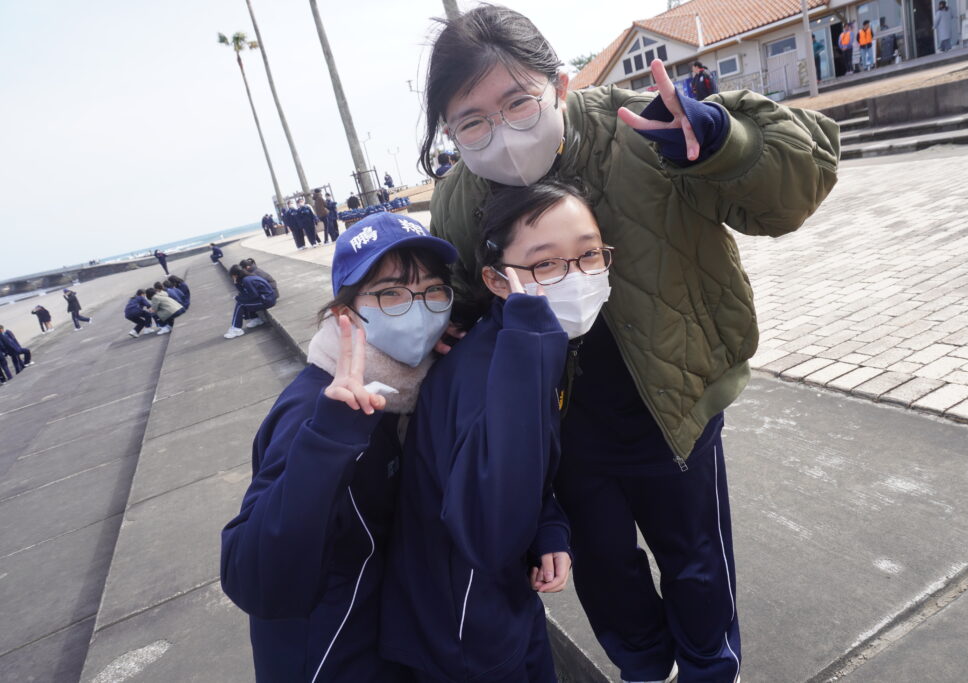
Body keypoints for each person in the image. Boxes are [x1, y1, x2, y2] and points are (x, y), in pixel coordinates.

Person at [419, 6, 839, 681]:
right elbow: (467, 297)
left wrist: (722, 144)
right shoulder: (457, 200)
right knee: (606, 573)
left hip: (674, 406)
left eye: (518, 102)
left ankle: (710, 667)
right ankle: (644, 669)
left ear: (559, 84)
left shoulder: (644, 127)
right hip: (562, 434)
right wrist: (442, 326)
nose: (501, 133)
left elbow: (798, 184)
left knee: (697, 562)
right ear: (450, 130)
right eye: (472, 121)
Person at [220, 213, 457, 682]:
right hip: (332, 655)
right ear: (345, 312)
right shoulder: (310, 411)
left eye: (433, 290)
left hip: (395, 640)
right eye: (390, 293)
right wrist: (330, 439)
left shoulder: (411, 389)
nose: (419, 309)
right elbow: (253, 577)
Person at [380, 182, 582, 682]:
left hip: (502, 602)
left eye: (589, 254)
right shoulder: (499, 363)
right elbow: (489, 535)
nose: (574, 275)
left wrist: (549, 530)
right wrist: (532, 342)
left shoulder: (524, 343)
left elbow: (526, 465)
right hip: (466, 631)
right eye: (545, 263)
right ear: (495, 279)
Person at [223, 264, 277, 339]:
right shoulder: (247, 278)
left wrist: (238, 298)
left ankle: (236, 329)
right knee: (243, 301)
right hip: (266, 298)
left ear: (235, 275)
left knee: (241, 304)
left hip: (267, 300)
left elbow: (253, 295)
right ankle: (255, 319)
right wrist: (236, 283)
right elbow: (244, 293)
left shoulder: (247, 280)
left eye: (232, 276)